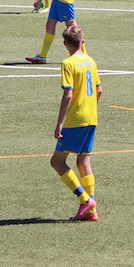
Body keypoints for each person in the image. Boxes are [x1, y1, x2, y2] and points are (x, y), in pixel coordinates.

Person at [50, 25, 101, 221]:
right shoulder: (90, 61)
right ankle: (92, 211)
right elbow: (99, 90)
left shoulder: (68, 63)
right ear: (83, 42)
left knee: (57, 161)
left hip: (76, 120)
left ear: (65, 44)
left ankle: (85, 200)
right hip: (91, 117)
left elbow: (68, 95)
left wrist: (59, 123)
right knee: (83, 161)